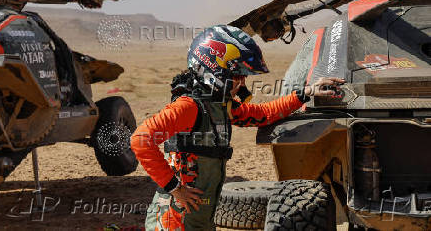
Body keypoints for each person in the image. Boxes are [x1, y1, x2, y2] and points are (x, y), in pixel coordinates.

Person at [130, 25, 344, 231]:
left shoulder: (221, 107)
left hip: (200, 219)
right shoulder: (188, 107)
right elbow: (141, 140)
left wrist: (305, 93)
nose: (242, 83)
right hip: (175, 221)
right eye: (237, 76)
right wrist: (174, 189)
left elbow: (263, 114)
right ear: (213, 72)